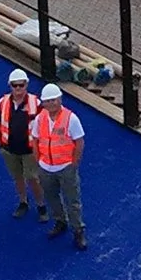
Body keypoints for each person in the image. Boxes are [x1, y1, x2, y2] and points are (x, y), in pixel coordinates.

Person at [29, 84, 87, 251]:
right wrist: (39, 160)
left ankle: (78, 230)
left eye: (53, 100)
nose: (51, 104)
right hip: (46, 168)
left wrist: (74, 163)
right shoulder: (40, 119)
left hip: (66, 167)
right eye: (47, 101)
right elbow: (35, 140)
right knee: (52, 197)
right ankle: (60, 221)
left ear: (60, 99)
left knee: (72, 201)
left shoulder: (71, 118)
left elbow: (79, 142)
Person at [0, 68, 44, 221]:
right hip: (10, 150)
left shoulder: (36, 103)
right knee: (18, 178)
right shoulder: (3, 103)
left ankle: (41, 205)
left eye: (21, 85)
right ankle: (23, 202)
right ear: (10, 86)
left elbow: (43, 126)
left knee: (32, 178)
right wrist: (0, 145)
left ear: (26, 85)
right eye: (15, 86)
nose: (18, 89)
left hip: (29, 150)